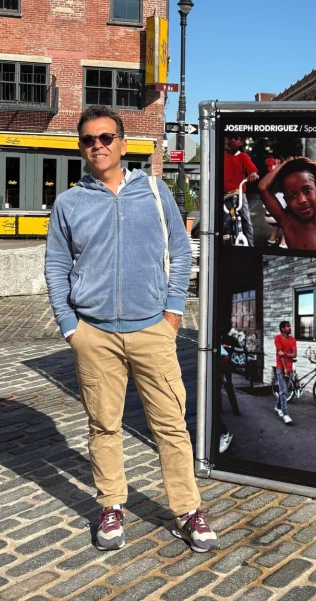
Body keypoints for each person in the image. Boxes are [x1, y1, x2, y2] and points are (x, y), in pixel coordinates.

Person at [44, 107, 216, 554]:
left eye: (105, 137)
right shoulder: (68, 204)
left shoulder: (155, 192)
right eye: (88, 140)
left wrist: (173, 311)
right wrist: (70, 326)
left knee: (171, 425)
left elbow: (181, 251)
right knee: (103, 425)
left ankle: (187, 509)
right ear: (80, 148)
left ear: (122, 143)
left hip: (152, 330)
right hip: (94, 334)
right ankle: (111, 505)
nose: (97, 145)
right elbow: (57, 265)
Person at [223, 133, 259, 246]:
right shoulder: (223, 156)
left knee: (246, 220)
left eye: (236, 138)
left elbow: (252, 168)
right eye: (230, 138)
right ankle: (225, 246)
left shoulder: (243, 156)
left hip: (239, 194)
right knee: (225, 221)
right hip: (225, 195)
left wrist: (253, 173)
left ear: (241, 142)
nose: (233, 140)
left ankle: (251, 246)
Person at [274, 320, 297, 425]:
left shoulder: (293, 340)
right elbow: (280, 355)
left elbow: (294, 354)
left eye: (289, 326)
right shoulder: (278, 338)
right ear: (283, 329)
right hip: (280, 368)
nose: (290, 327)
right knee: (283, 391)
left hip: (290, 367)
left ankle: (277, 407)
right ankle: (285, 414)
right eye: (287, 326)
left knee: (284, 391)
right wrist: (284, 370)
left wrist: (285, 354)